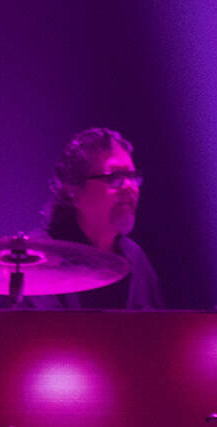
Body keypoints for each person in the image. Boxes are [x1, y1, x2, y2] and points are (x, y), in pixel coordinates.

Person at [42, 126, 164, 309]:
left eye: (132, 176)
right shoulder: (41, 260)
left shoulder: (135, 258)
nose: (129, 187)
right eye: (114, 177)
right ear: (72, 190)